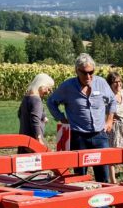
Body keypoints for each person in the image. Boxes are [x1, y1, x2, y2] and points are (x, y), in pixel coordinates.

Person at [47, 53, 117, 182]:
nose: (88, 76)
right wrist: (62, 119)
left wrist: (109, 120)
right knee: (80, 178)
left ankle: (104, 202)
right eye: (84, 73)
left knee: (103, 177)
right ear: (76, 71)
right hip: (78, 137)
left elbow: (112, 100)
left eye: (91, 72)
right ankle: (82, 201)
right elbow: (51, 102)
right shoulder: (68, 87)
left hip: (100, 136)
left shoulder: (101, 83)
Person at [18, 73, 55, 152]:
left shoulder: (26, 97)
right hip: (32, 142)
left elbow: (19, 113)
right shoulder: (36, 100)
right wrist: (38, 138)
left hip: (23, 138)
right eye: (48, 89)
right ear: (41, 85)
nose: (48, 92)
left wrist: (43, 116)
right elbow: (35, 120)